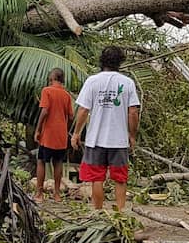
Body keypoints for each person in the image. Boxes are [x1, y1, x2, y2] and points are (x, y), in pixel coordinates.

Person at [71, 46, 140, 211]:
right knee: (120, 179)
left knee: (97, 178)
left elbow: (83, 110)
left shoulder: (92, 81)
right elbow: (133, 112)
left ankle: (98, 212)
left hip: (96, 139)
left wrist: (76, 133)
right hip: (119, 140)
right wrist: (131, 135)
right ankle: (120, 214)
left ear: (102, 61)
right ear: (120, 62)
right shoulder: (127, 83)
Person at [34, 68, 74, 202]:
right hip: (61, 136)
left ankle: (39, 194)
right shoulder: (67, 95)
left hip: (48, 135)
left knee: (41, 161)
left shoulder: (47, 91)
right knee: (58, 162)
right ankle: (57, 194)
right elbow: (71, 116)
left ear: (51, 79)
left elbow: (44, 111)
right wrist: (65, 128)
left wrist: (38, 129)